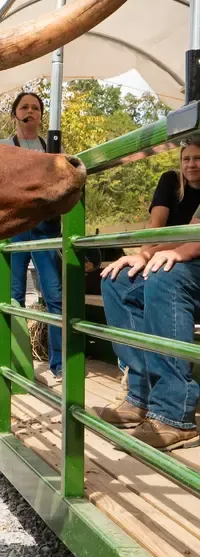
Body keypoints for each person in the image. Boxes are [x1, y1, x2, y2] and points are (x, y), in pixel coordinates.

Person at [93, 139, 200, 451]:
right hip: (188, 263)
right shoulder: (172, 183)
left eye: (199, 158)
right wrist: (143, 255)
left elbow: (193, 239)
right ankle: (141, 396)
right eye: (187, 158)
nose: (192, 164)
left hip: (190, 267)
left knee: (164, 276)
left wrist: (164, 255)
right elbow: (177, 232)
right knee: (117, 281)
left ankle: (174, 412)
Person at [0, 92, 64, 380]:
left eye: (35, 108)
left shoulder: (52, 148)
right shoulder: (2, 147)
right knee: (13, 295)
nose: (30, 111)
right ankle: (15, 361)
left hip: (46, 229)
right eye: (24, 107)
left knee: (55, 296)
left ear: (40, 115)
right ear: (15, 114)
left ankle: (60, 364)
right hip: (16, 227)